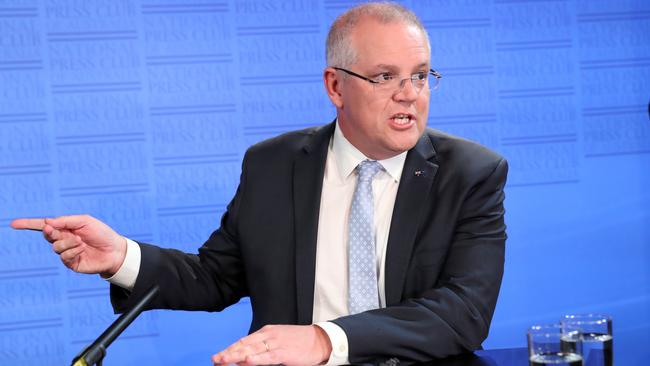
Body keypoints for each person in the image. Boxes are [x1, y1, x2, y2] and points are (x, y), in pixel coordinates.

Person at [11, 3, 508, 365]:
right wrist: (122, 257)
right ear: (335, 86)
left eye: (420, 76)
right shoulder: (273, 164)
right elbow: (218, 276)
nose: (409, 95)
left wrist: (322, 340)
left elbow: (462, 312)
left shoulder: (470, 173)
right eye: (384, 77)